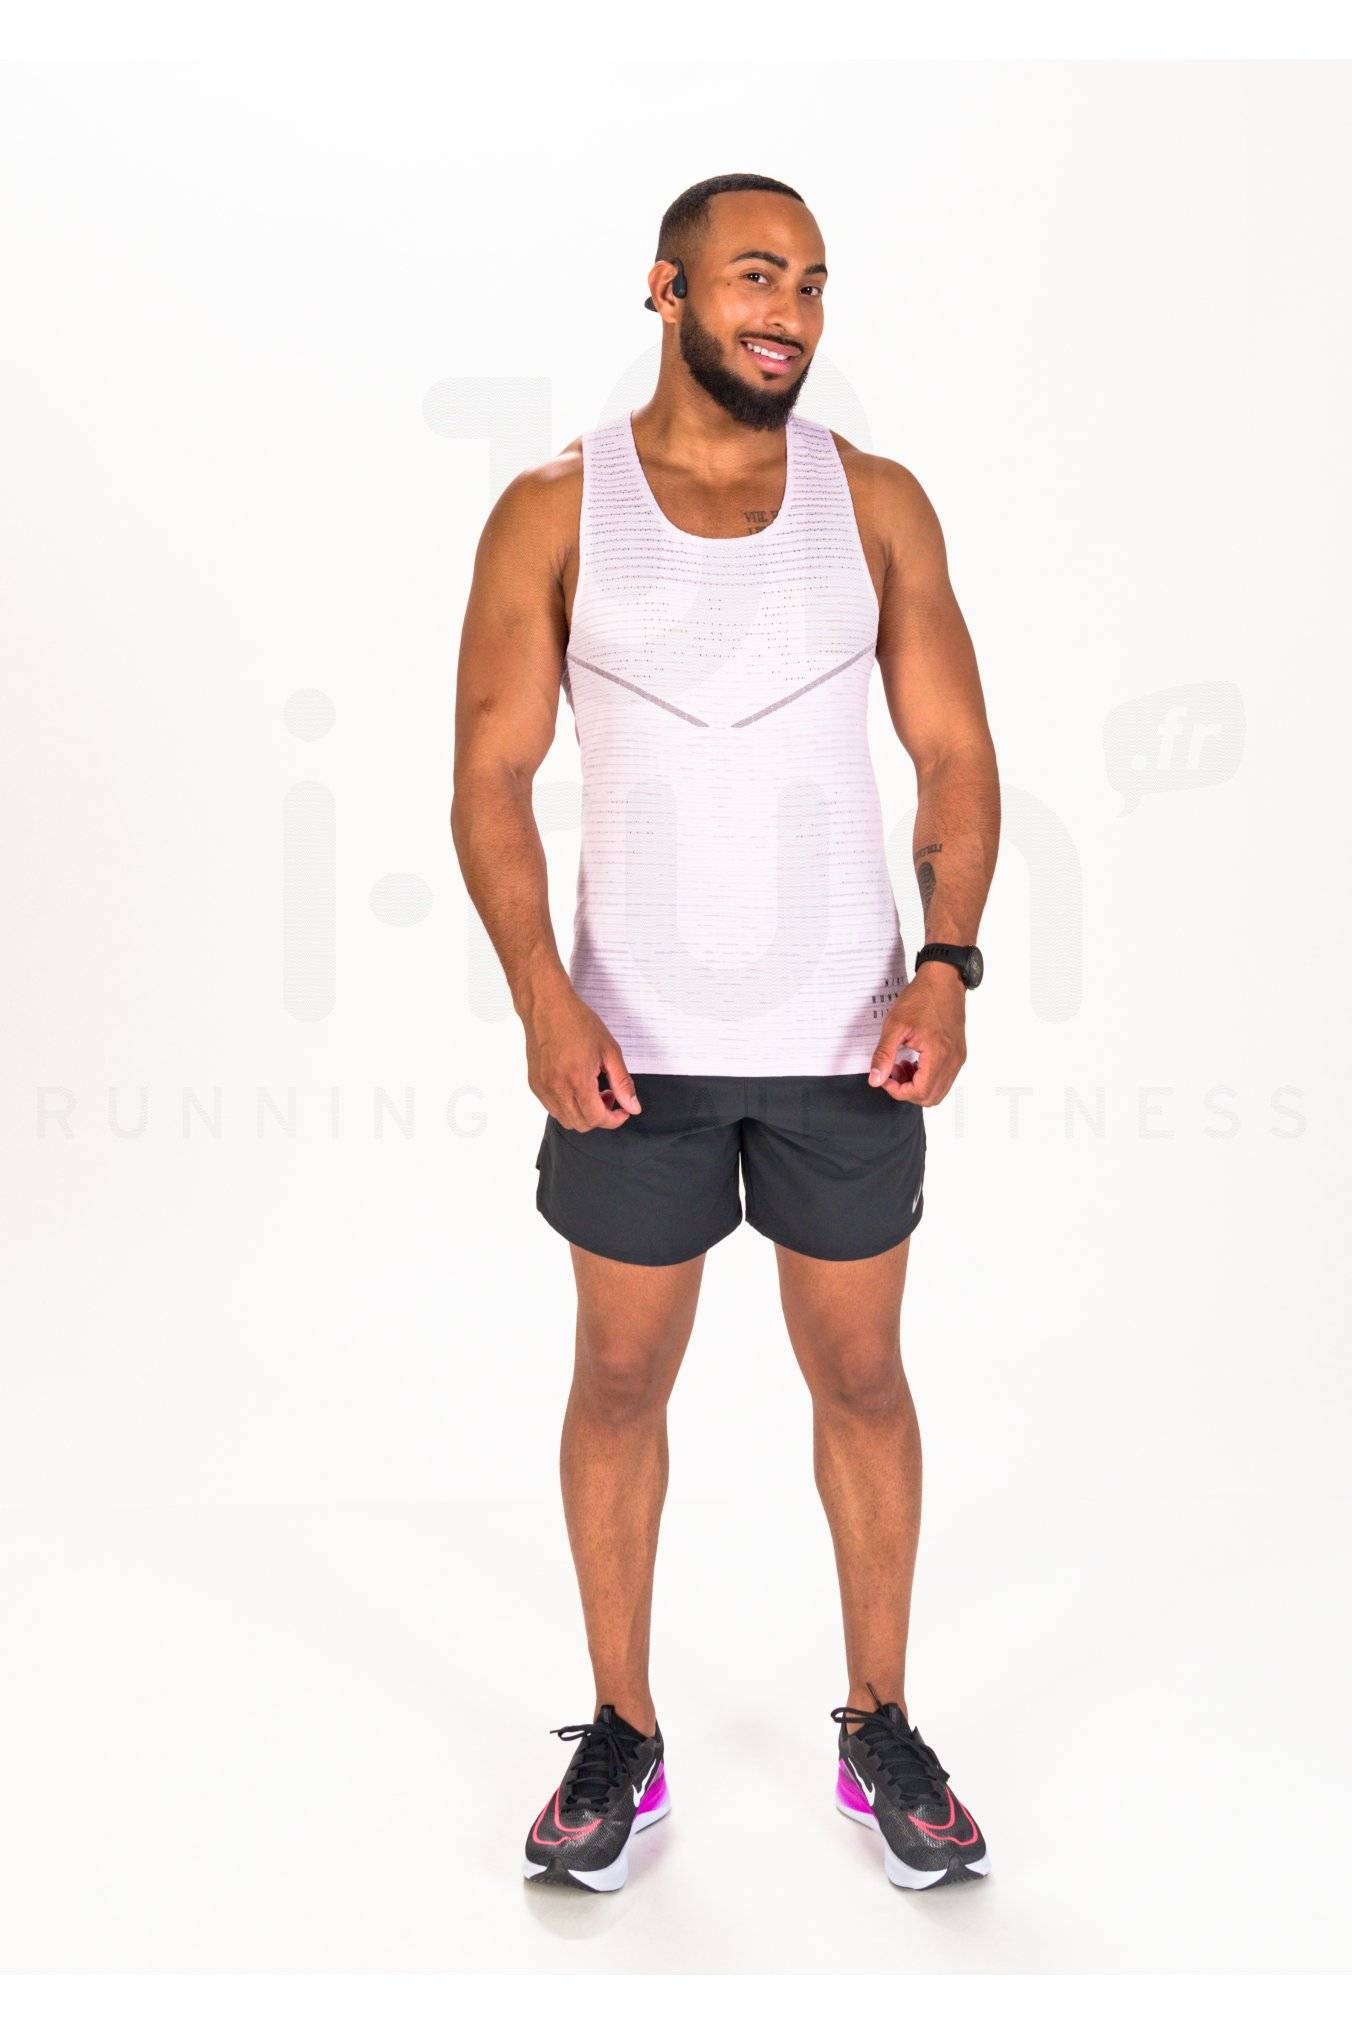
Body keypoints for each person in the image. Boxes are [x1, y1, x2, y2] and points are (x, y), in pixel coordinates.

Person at [451, 172, 1000, 1894]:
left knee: (862, 1376)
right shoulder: (555, 510)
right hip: (632, 1049)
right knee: (620, 1378)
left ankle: (879, 1724)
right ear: (668, 289)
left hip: (850, 1042)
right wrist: (542, 997)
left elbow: (957, 753)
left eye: (814, 284)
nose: (791, 312)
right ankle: (621, 1732)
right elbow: (489, 776)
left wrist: (947, 965)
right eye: (758, 275)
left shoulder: (876, 503)